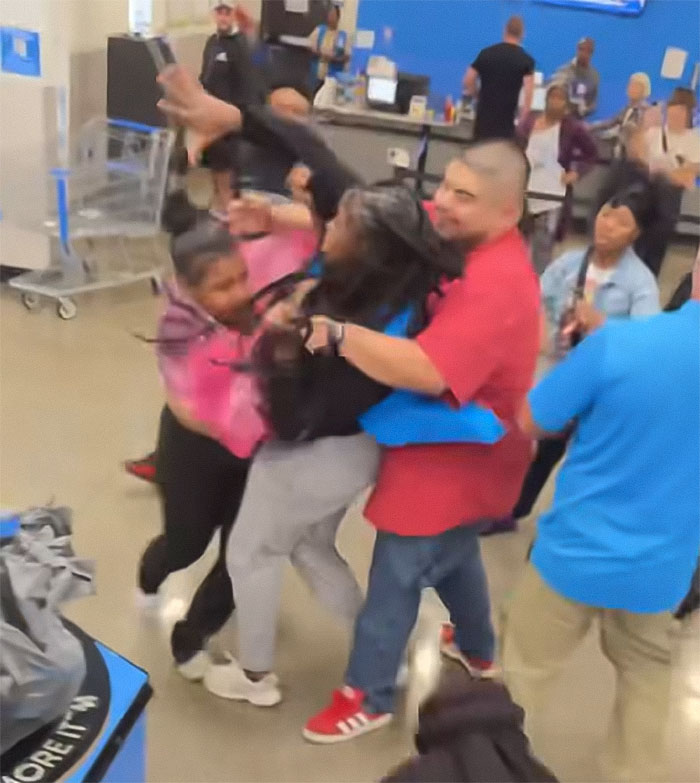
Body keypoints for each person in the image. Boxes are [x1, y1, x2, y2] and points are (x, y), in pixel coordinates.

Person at [302, 141, 541, 743]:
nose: (443, 204)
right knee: (456, 551)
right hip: (465, 439)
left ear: (508, 212)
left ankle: (370, 692)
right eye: (445, 187)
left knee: (397, 573)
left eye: (464, 197)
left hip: (457, 447)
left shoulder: (498, 283)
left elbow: (428, 369)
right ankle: (478, 645)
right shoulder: (466, 241)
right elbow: (389, 223)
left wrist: (338, 335)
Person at [501, 252, 700, 783]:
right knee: (647, 677)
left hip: (572, 553)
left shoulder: (618, 345)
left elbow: (531, 419)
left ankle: (501, 770)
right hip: (665, 569)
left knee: (525, 672)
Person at [484, 187, 660, 536]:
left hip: (604, 390)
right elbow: (534, 299)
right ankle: (510, 511)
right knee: (537, 447)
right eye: (606, 214)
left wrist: (600, 326)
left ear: (636, 234)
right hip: (563, 375)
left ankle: (576, 527)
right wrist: (543, 326)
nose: (607, 226)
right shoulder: (568, 264)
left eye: (621, 222)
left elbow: (646, 345)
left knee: (587, 460)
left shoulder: (640, 284)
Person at [137, 218, 259, 678]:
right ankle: (151, 576)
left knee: (242, 551)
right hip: (195, 451)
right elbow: (186, 407)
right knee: (187, 544)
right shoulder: (177, 328)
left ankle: (194, 637)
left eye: (242, 277)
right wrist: (239, 431)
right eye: (222, 286)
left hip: (252, 452)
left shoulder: (256, 309)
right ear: (187, 290)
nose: (240, 293)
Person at [518, 82, 597, 273]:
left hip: (552, 196)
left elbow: (591, 153)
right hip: (525, 191)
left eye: (560, 99)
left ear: (566, 103)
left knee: (543, 247)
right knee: (518, 243)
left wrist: (576, 173)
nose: (555, 103)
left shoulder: (571, 128)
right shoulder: (530, 122)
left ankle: (539, 287)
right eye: (552, 97)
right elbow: (516, 146)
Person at [590, 126, 682, 277]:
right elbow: (602, 200)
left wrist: (647, 237)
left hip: (647, 245)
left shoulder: (659, 175)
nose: (639, 146)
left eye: (643, 142)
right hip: (614, 242)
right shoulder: (619, 170)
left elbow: (665, 215)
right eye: (636, 142)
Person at [199, 1, 261, 213]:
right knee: (216, 172)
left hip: (231, 124)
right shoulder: (211, 43)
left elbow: (249, 87)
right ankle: (221, 211)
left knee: (229, 179)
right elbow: (205, 78)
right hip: (211, 121)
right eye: (219, 13)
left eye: (227, 13)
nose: (223, 18)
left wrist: (239, 119)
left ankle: (231, 219)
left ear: (233, 15)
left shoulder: (240, 46)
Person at [463, 15, 535, 141]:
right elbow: (529, 94)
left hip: (483, 121)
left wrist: (477, 95)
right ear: (522, 34)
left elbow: (468, 80)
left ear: (505, 30)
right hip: (506, 123)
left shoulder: (486, 53)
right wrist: (522, 120)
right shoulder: (526, 61)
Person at [590, 72, 652, 158]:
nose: (631, 89)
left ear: (645, 90)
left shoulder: (645, 112)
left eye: (636, 87)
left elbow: (631, 133)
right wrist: (591, 126)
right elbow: (611, 122)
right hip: (618, 150)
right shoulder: (627, 108)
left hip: (631, 154)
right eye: (631, 85)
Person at [309, 2, 351, 94]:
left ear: (338, 17)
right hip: (316, 75)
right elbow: (309, 47)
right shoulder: (319, 30)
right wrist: (320, 53)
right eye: (329, 14)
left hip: (333, 78)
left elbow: (347, 56)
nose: (330, 17)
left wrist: (335, 58)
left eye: (333, 14)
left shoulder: (343, 36)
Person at [554, 37, 599, 118]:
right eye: (582, 49)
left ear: (592, 53)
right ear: (577, 50)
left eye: (589, 51)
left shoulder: (594, 76)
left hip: (579, 121)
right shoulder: (563, 71)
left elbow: (593, 103)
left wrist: (586, 109)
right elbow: (553, 93)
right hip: (559, 117)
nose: (584, 53)